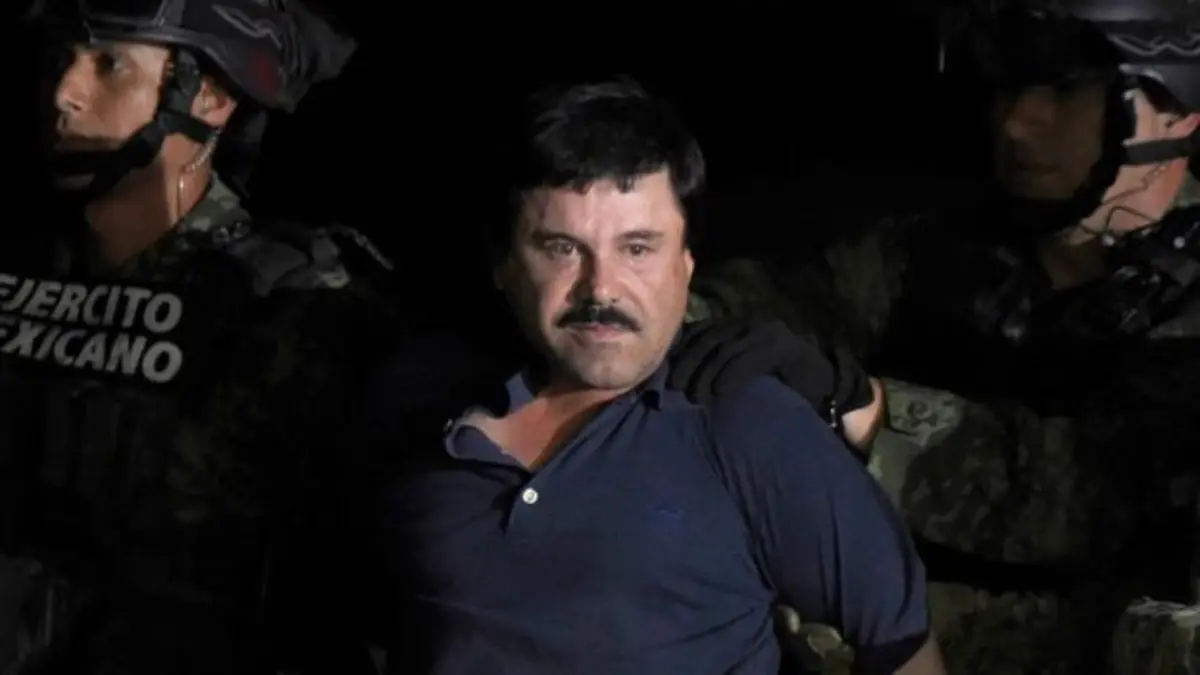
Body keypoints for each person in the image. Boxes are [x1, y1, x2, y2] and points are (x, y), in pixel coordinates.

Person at [365, 78, 943, 675]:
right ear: (506, 264)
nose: (601, 288)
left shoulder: (747, 427)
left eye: (637, 248)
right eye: (562, 248)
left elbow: (903, 651)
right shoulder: (420, 423)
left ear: (686, 263)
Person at [691, 1, 1200, 673]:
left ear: (1175, 108)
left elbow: (1090, 500)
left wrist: (868, 410)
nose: (1016, 121)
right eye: (1010, 85)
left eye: (1064, 88)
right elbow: (794, 295)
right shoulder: (955, 248)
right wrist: (656, 317)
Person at [0, 1, 393, 673]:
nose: (65, 93)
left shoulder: (297, 307)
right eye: (60, 62)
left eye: (110, 65)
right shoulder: (19, 268)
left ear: (209, 95)